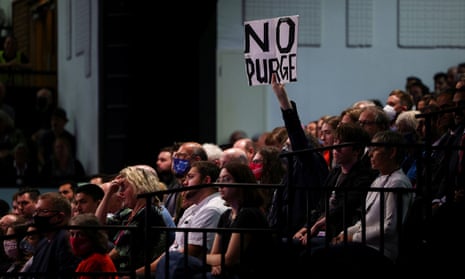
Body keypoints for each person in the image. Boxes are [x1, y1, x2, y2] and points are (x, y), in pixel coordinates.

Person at [310, 130, 413, 275]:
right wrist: (345, 233)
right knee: (312, 251)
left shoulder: (398, 183)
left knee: (319, 255)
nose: (370, 154)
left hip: (380, 250)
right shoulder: (379, 179)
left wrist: (353, 237)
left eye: (375, 149)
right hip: (363, 244)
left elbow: (389, 227)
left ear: (392, 152)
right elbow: (365, 221)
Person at [155, 161, 275, 279]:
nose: (221, 185)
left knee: (176, 261)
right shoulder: (226, 215)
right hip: (223, 270)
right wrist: (216, 263)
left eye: (227, 179)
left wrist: (210, 260)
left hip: (245, 272)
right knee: (173, 260)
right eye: (219, 180)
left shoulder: (248, 213)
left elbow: (229, 259)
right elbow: (214, 255)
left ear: (241, 183)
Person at [133, 160, 229, 278]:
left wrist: (142, 271)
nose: (185, 182)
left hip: (189, 268)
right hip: (175, 264)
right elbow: (175, 246)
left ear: (206, 180)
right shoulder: (193, 208)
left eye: (191, 177)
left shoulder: (212, 208)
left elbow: (191, 252)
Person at [292, 122, 376, 254]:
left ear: (357, 150)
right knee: (287, 245)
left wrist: (315, 227)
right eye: (336, 141)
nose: (336, 148)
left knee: (309, 253)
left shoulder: (364, 176)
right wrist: (306, 227)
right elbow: (321, 205)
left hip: (339, 232)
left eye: (342, 143)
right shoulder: (335, 172)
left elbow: (344, 208)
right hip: (322, 230)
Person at [267, 73, 329, 239]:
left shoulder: (311, 161)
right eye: (285, 146)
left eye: (289, 145)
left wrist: (283, 102)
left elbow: (298, 138)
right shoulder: (291, 169)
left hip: (299, 233)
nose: (285, 150)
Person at [105, 166, 172, 273]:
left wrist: (97, 263)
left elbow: (118, 252)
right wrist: (108, 193)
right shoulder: (128, 213)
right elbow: (98, 225)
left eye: (124, 187)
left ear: (139, 187)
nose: (120, 193)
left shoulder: (149, 213)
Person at [27, 192, 81, 278]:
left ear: (59, 217)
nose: (36, 215)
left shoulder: (65, 239)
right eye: (36, 211)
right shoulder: (43, 242)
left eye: (43, 211)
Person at [68, 213, 118, 279]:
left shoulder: (95, 262)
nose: (74, 239)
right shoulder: (90, 259)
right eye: (72, 234)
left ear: (93, 237)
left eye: (81, 235)